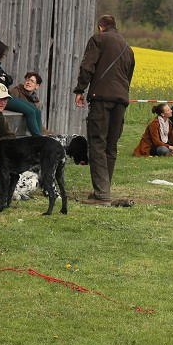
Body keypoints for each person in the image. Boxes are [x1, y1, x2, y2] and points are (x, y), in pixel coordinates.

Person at [73, 14, 134, 206]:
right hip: (121, 100)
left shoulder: (98, 39)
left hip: (101, 98)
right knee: (111, 145)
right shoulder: (128, 48)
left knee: (97, 143)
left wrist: (80, 89)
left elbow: (87, 65)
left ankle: (102, 195)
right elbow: (128, 77)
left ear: (100, 27)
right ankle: (103, 189)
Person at [0, 40, 43, 136]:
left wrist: (4, 78)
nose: (3, 57)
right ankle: (38, 140)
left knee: (37, 111)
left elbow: (9, 79)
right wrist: (3, 78)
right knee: (30, 112)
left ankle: (41, 139)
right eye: (3, 54)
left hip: (4, 95)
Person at [9, 70, 46, 136]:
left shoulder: (35, 100)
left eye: (32, 81)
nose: (28, 82)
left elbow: (37, 121)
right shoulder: (16, 92)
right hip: (17, 128)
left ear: (37, 86)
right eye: (27, 80)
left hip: (28, 128)